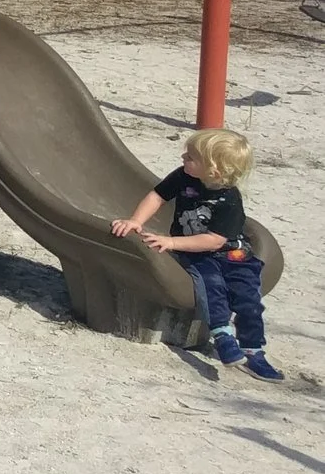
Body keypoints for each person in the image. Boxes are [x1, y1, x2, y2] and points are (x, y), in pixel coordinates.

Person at [112, 128, 282, 380]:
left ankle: (253, 351)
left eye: (191, 156)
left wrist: (171, 242)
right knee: (211, 285)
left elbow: (214, 240)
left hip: (232, 253)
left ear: (213, 170)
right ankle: (222, 335)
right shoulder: (184, 177)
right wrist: (136, 221)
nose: (183, 157)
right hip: (199, 254)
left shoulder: (229, 200)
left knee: (248, 299)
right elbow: (157, 196)